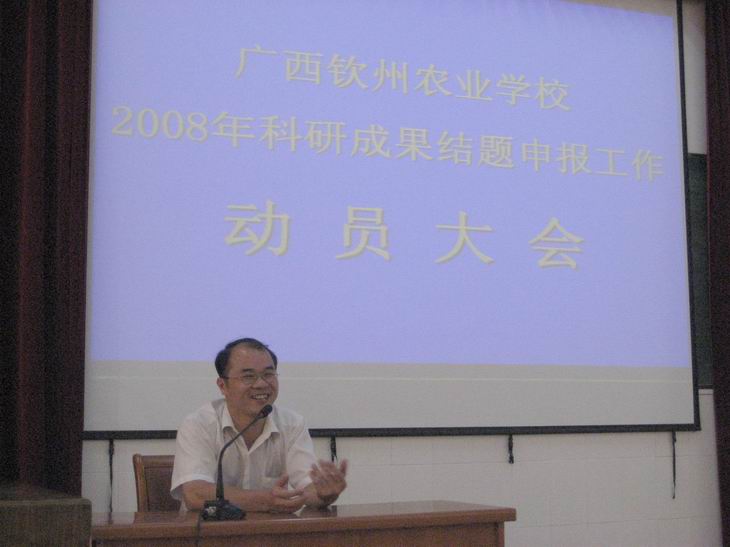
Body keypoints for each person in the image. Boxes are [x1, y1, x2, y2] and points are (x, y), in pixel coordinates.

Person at [170, 337, 348, 513]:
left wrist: (324, 493)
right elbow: (195, 494)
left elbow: (307, 489)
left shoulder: (292, 424)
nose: (261, 384)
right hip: (209, 530)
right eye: (248, 376)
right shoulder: (199, 424)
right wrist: (265, 501)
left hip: (269, 531)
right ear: (223, 386)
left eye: (268, 374)